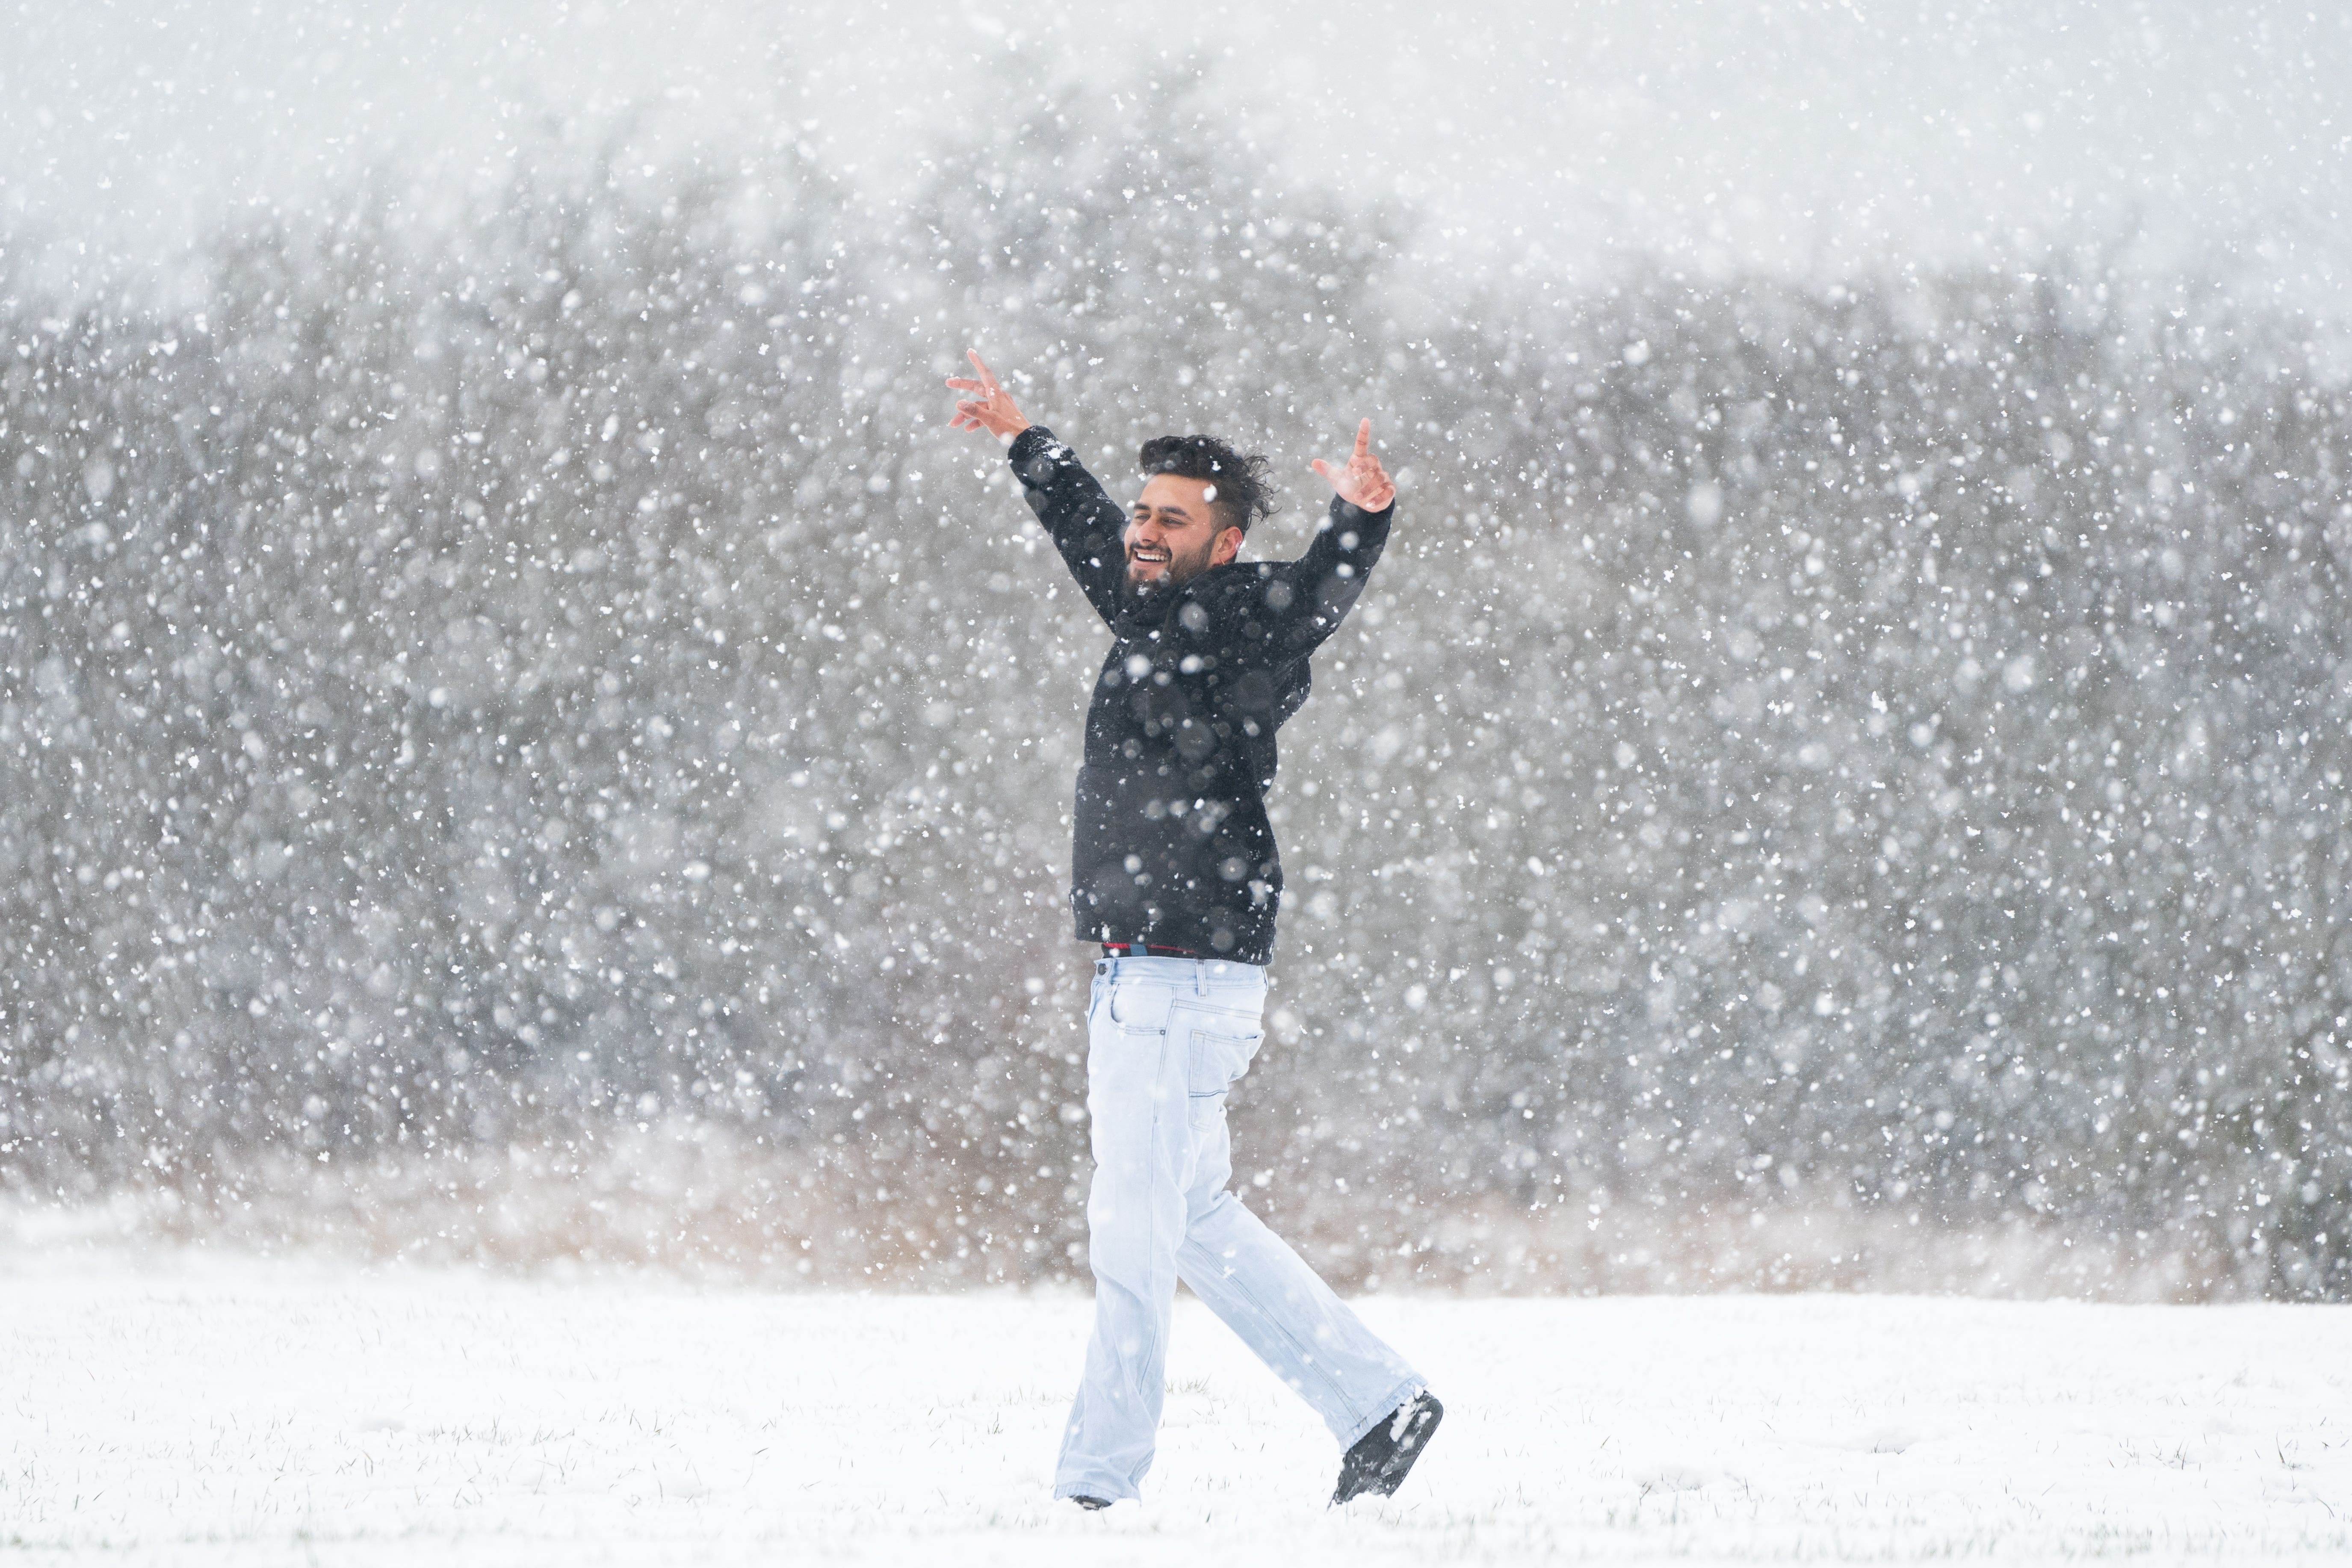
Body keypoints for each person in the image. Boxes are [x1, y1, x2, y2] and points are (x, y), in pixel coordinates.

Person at [945, 351, 1443, 1509]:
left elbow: (1314, 593)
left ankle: (1092, 1493)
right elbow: (1088, 539)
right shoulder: (1151, 610)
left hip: (1180, 975)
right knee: (1192, 1220)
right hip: (1150, 974)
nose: (1144, 530)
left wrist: (1361, 519)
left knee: (1131, 1238)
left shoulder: (1226, 613)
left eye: (1172, 518)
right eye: (1143, 511)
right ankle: (1378, 1402)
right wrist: (1030, 441)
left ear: (1222, 544)